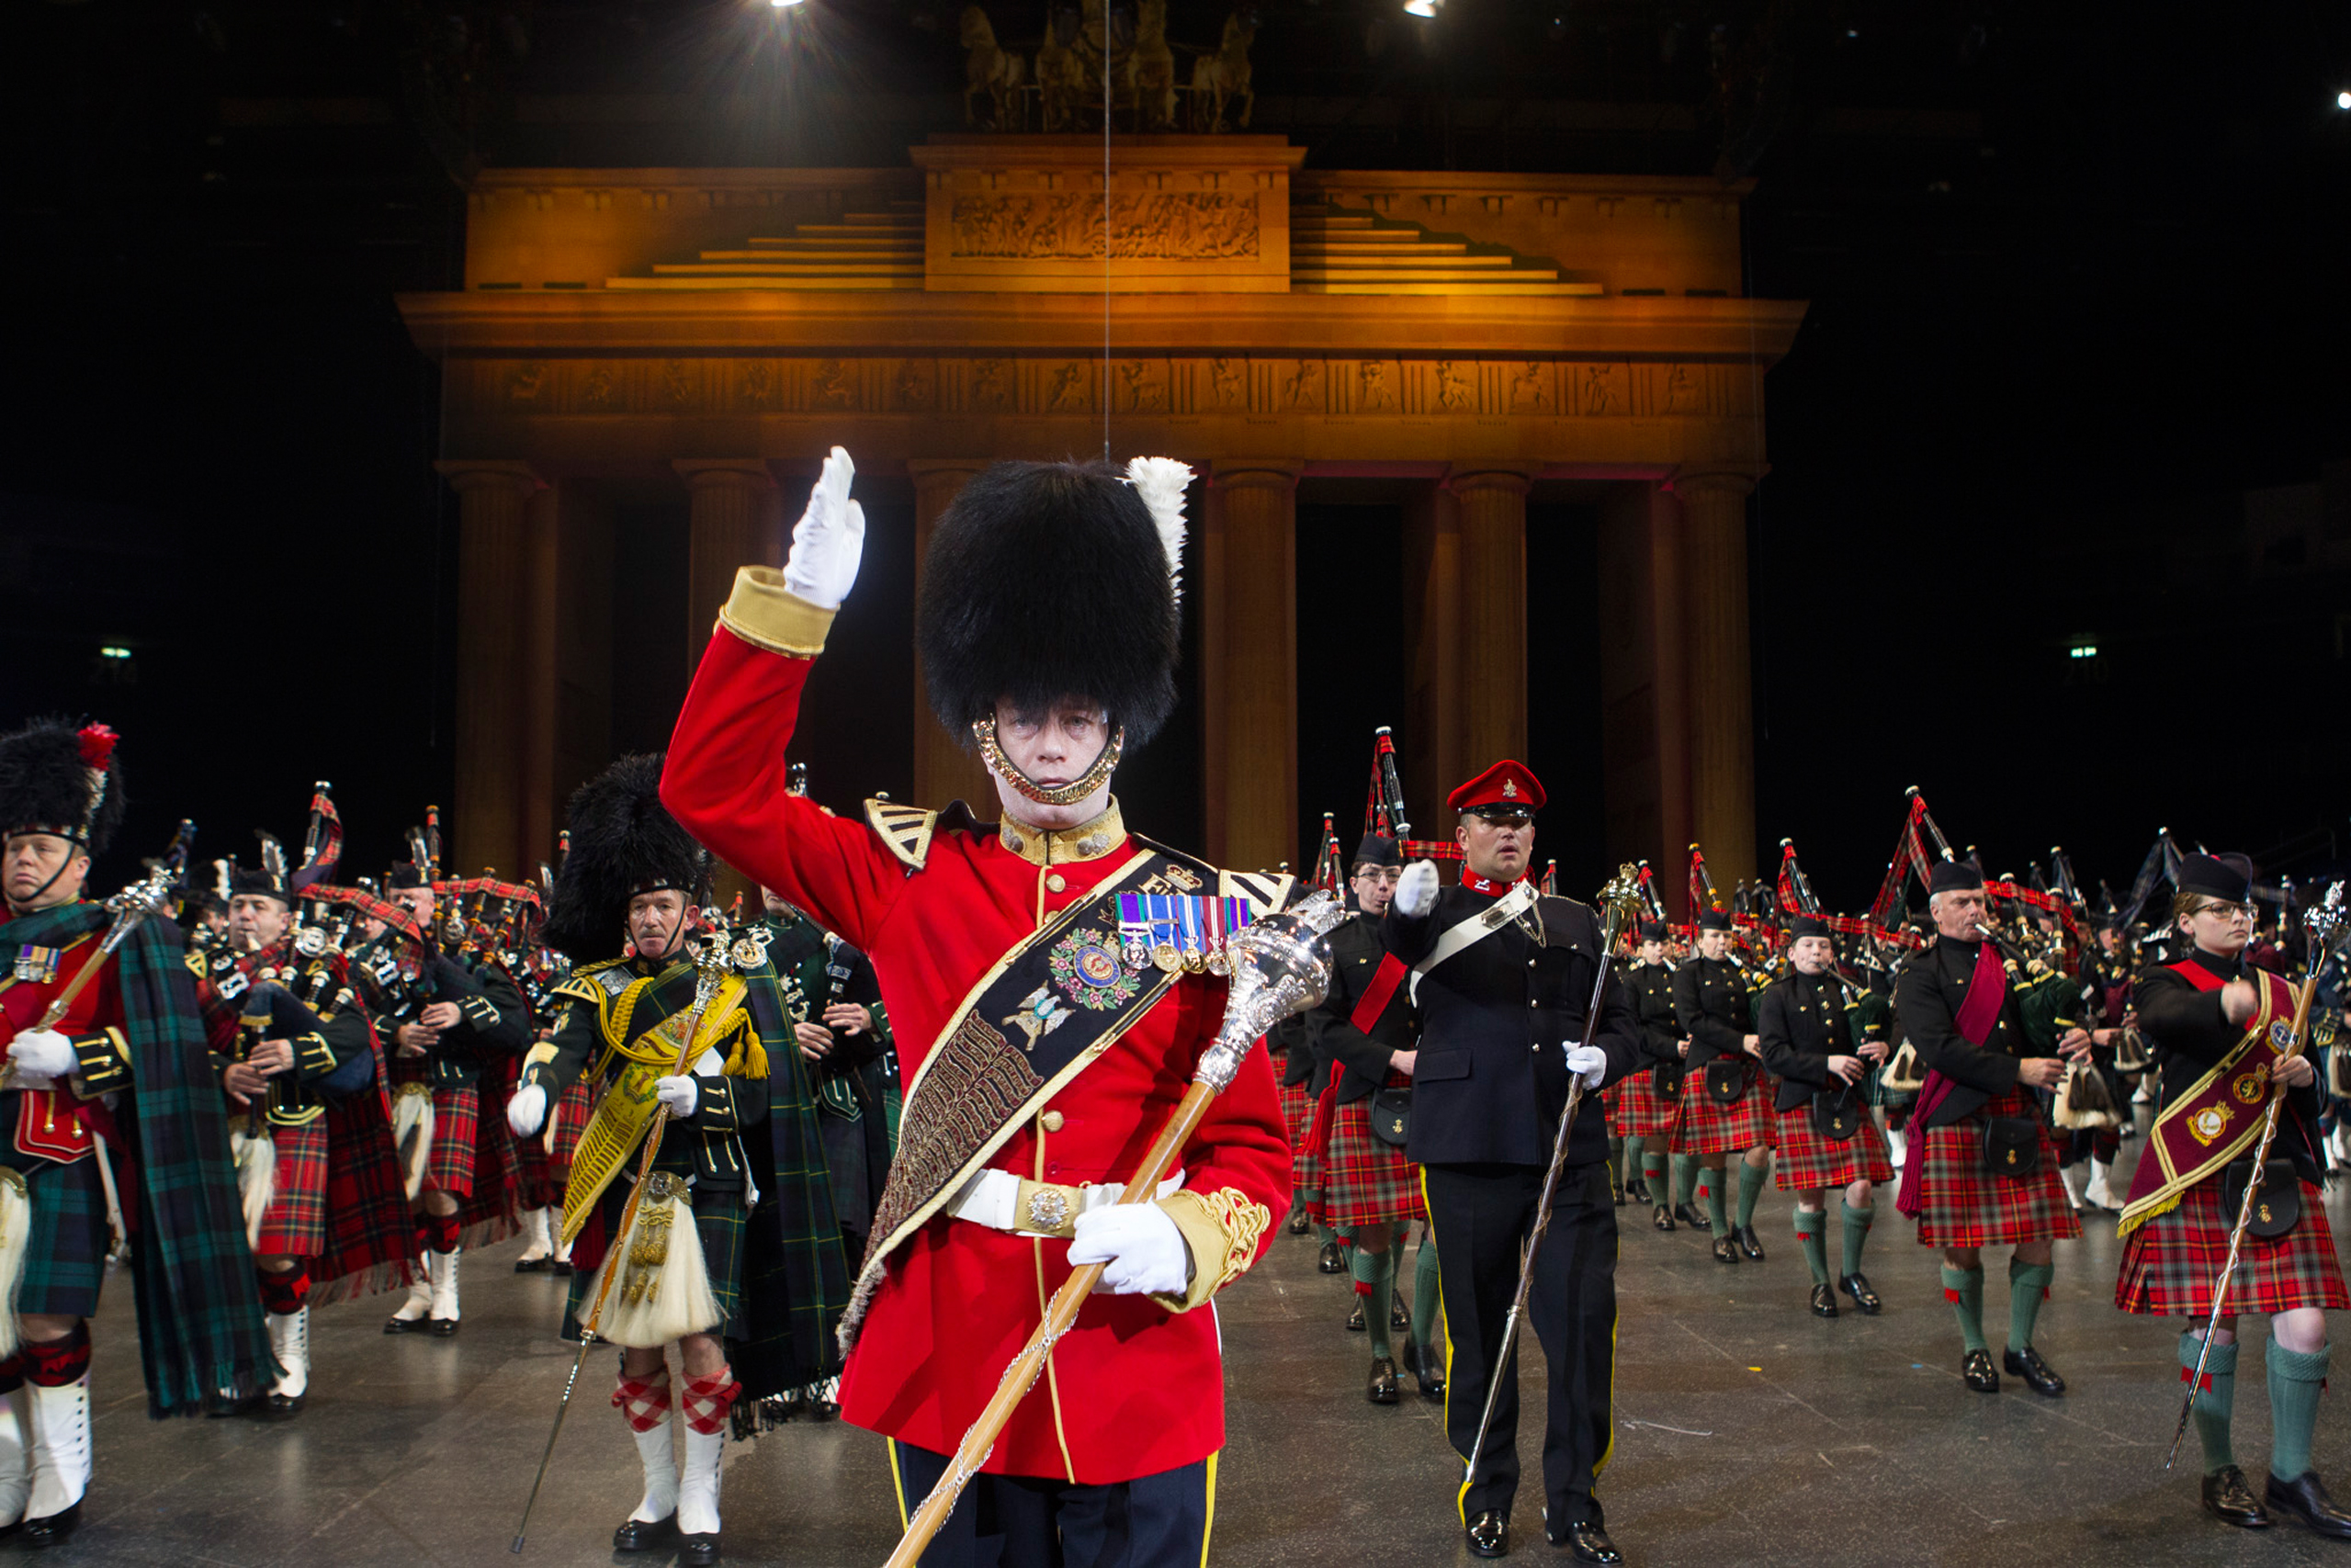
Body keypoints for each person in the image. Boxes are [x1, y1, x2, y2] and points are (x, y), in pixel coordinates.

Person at [658, 450, 1293, 1566]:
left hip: (1131, 1342)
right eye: (1025, 711)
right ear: (981, 718)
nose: (1052, 742)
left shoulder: (1193, 915)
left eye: (1080, 713)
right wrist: (792, 614)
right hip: (961, 1347)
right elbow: (709, 790)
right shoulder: (907, 879)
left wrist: (1186, 1235)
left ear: (1120, 724)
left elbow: (1252, 1154)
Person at [508, 755, 843, 1566]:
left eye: (664, 903)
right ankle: (657, 1490)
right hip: (632, 1183)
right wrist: (537, 1085)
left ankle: (701, 1495)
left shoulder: (732, 984)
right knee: (633, 1347)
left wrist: (706, 1099)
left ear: (691, 909)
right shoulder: (597, 986)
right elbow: (562, 1043)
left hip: (714, 1182)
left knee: (698, 1341)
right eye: (639, 906)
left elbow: (767, 1093)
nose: (651, 918)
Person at [0, 719, 274, 1542]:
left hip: (63, 1150)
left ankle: (62, 1474)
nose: (22, 859)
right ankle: (10, 1471)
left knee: (45, 1316)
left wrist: (76, 1051)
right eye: (12, 843)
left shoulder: (116, 936)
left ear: (81, 860)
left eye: (42, 845)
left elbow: (170, 1046)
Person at [1384, 761, 1641, 1564]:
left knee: (1580, 1327)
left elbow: (1628, 1023)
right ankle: (1487, 1492)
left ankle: (1576, 1501)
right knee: (1480, 1331)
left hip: (1567, 1147)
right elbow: (1393, 957)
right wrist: (1403, 905)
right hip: (1468, 1146)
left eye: (1522, 820)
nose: (1510, 831)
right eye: (1492, 820)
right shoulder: (1433, 911)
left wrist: (1605, 1056)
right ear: (1461, 833)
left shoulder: (1574, 917)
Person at [2116, 853, 2351, 1536]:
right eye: (2220, 910)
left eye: (2242, 908)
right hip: (2198, 1172)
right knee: (2213, 1326)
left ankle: (2291, 1475)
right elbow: (2164, 1019)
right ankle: (2218, 1467)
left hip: (2272, 1171)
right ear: (2186, 921)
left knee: (2305, 1325)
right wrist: (2220, 1003)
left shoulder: (2283, 988)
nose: (2237, 918)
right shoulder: (2162, 978)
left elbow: (2313, 1068)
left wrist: (2305, 1075)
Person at [201, 821, 408, 1417]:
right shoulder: (203, 969)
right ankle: (241, 1362)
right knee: (230, 1251)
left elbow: (355, 1033)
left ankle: (288, 1354)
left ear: (285, 916)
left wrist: (299, 1051)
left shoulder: (319, 964)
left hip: (294, 1114)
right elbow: (176, 1039)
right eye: (238, 904)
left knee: (277, 1249)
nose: (245, 915)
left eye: (258, 906)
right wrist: (221, 1070)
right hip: (226, 1120)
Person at [1893, 860, 2088, 1394]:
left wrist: (2074, 1038)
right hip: (1958, 1113)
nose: (1976, 910)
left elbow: (2035, 1026)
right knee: (1962, 1244)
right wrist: (2017, 1070)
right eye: (1962, 902)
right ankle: (1974, 1345)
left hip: (2015, 1115)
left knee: (2040, 1237)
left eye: (1980, 900)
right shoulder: (1919, 973)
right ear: (1936, 912)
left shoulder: (2011, 963)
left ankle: (2020, 1346)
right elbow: (1940, 1049)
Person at [355, 848, 531, 1336]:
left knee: (441, 1192)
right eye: (397, 899)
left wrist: (461, 1014)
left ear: (434, 904)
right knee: (408, 1195)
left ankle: (447, 1292)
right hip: (397, 1084)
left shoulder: (467, 956)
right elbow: (350, 1020)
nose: (406, 908)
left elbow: (515, 1021)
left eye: (414, 899)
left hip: (452, 1082)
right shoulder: (366, 961)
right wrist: (395, 1032)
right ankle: (419, 1291)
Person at [1301, 834, 1437, 1404]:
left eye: (1394, 875)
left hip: (1437, 1095)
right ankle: (1383, 1354)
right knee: (1378, 1232)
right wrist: (1390, 1059)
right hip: (1367, 1092)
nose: (1385, 885)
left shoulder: (1431, 938)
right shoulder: (1336, 942)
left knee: (1442, 1228)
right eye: (1374, 876)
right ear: (1354, 881)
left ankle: (1422, 1345)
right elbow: (1323, 1029)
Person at [1757, 917, 1893, 1317]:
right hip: (1801, 1100)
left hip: (1846, 1100)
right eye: (1809, 946)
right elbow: (1774, 1055)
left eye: (1824, 946)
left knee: (1862, 1187)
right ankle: (1820, 1281)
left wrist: (1880, 1047)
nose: (1817, 953)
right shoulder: (1777, 996)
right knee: (1811, 1196)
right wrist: (1826, 1063)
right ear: (1791, 953)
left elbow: (1865, 1038)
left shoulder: (1848, 992)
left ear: (1833, 953)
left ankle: (1851, 1273)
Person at [1671, 909, 1771, 1262]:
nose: (1721, 942)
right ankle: (1718, 1231)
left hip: (1746, 1068)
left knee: (1759, 1149)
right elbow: (1691, 1020)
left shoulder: (1743, 973)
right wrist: (1740, 1040)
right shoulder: (1688, 973)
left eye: (1726, 936)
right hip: (1708, 1063)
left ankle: (1742, 1224)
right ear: (1700, 940)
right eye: (1714, 936)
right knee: (1714, 1156)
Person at [1615, 921, 1686, 1231]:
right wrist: (1673, 1046)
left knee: (1689, 1142)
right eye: (1653, 945)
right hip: (1648, 1065)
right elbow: (1635, 1028)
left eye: (1664, 944)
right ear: (1641, 948)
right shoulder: (1632, 981)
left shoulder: (1682, 979)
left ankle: (1685, 1203)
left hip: (1684, 1067)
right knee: (1655, 1140)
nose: (1660, 949)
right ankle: (1660, 1205)